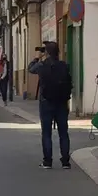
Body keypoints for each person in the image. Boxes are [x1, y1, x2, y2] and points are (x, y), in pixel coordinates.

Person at [29, 41, 73, 169]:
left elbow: (30, 69)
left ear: (46, 52)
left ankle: (47, 161)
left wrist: (37, 57)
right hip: (61, 102)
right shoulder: (64, 65)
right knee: (63, 133)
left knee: (46, 133)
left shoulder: (41, 65)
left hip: (46, 102)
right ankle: (65, 162)